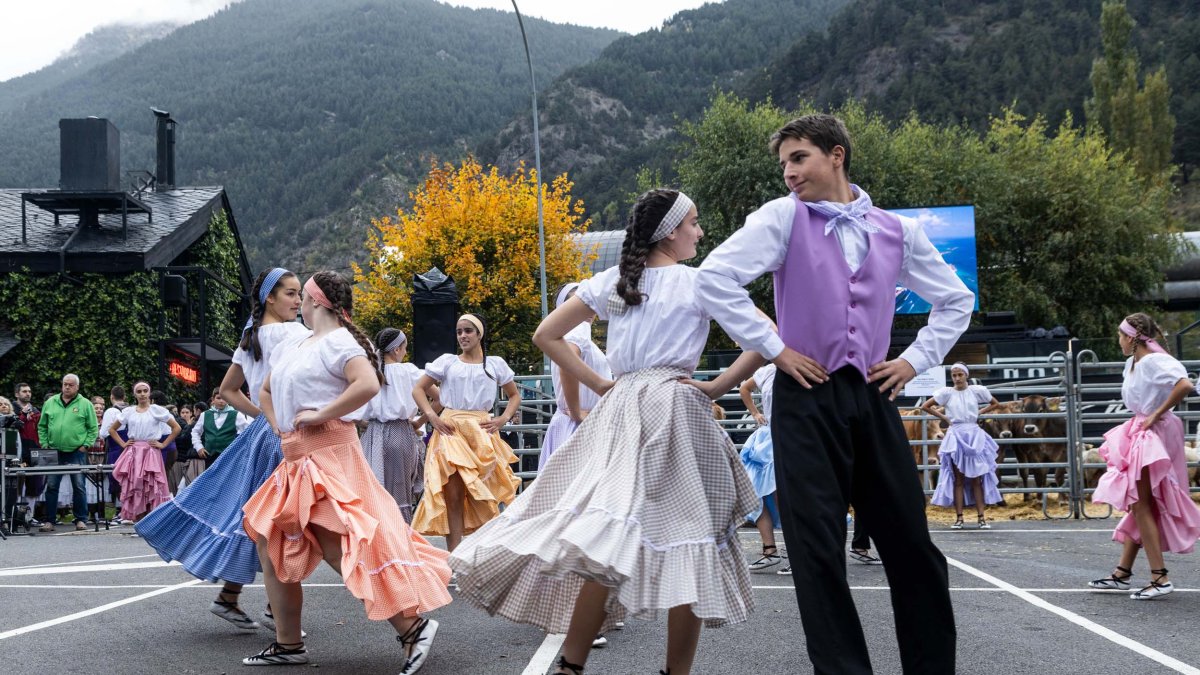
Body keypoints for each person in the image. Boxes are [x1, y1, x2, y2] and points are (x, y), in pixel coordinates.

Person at [695, 114, 973, 674]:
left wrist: (913, 360)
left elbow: (956, 300)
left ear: (837, 155)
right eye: (784, 164)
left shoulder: (897, 230)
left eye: (799, 158)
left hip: (872, 396)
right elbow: (713, 277)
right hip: (803, 398)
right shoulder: (781, 219)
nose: (789, 173)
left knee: (913, 548)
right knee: (817, 552)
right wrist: (773, 348)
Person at [450, 189, 760, 675]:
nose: (699, 232)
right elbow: (762, 338)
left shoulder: (615, 282)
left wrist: (602, 383)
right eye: (694, 223)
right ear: (670, 231)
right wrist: (715, 387)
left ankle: (571, 664)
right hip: (675, 408)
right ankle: (674, 673)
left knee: (604, 532)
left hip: (622, 408)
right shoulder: (700, 283)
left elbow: (546, 335)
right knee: (689, 539)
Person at [241, 271, 451, 672]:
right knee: (272, 541)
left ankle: (412, 628)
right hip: (298, 457)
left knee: (345, 543)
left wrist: (321, 413)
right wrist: (279, 424)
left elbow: (367, 383)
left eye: (302, 297)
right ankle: (289, 644)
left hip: (330, 453)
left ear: (315, 301)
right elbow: (265, 391)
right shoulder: (300, 344)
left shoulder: (340, 341)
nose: (299, 304)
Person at [136, 268, 308, 633]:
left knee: (255, 517)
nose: (298, 301)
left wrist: (262, 414)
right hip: (285, 434)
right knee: (287, 520)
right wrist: (273, 414)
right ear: (269, 298)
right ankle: (273, 609)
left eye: (299, 294)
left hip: (264, 433)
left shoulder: (251, 336)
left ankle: (235, 597)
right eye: (292, 294)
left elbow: (230, 390)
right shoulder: (294, 333)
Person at [1088, 313, 1200, 599]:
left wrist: (1155, 414)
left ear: (1131, 337)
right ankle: (1123, 573)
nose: (1118, 340)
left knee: (1141, 503)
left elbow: (1185, 385)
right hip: (1141, 430)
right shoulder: (1133, 363)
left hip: (1154, 433)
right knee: (1139, 504)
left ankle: (1159, 578)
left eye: (1120, 335)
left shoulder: (1152, 360)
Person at [411, 312, 522, 553]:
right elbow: (419, 389)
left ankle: (482, 553)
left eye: (468, 331)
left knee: (485, 494)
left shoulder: (495, 364)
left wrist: (502, 418)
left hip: (482, 432)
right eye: (459, 331)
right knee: (453, 497)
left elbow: (514, 395)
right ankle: (455, 556)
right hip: (451, 431)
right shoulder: (448, 362)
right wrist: (431, 416)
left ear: (480, 334)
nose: (462, 335)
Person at [357, 328, 429, 523]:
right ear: (397, 350)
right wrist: (419, 421)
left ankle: (378, 544)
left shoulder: (369, 372)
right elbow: (439, 398)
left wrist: (365, 422)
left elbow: (351, 408)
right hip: (400, 432)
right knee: (400, 492)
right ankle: (401, 540)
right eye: (405, 348)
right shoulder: (409, 372)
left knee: (373, 491)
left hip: (372, 435)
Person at [537, 282, 611, 472]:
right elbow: (567, 364)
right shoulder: (579, 328)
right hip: (579, 424)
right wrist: (577, 412)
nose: (588, 307)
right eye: (581, 302)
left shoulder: (567, 332)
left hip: (572, 422)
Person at [923, 363, 1002, 529]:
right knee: (958, 479)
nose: (957, 378)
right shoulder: (947, 393)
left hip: (973, 434)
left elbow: (995, 403)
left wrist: (978, 414)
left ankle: (981, 518)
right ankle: (959, 518)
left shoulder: (976, 391)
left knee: (976, 478)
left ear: (966, 375)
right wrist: (944, 417)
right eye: (954, 375)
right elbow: (925, 406)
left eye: (960, 375)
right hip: (956, 435)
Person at [38, 374, 98, 532]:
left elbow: (93, 428)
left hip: (76, 451)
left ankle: (81, 519)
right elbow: (42, 426)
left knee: (79, 486)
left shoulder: (85, 404)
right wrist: (44, 443)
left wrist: (86, 445)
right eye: (65, 384)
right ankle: (49, 520)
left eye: (71, 385)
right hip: (54, 451)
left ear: (77, 387)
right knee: (51, 486)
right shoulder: (50, 402)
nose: (67, 387)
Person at [110, 382, 178, 522]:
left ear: (149, 393)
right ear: (135, 394)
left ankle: (151, 521)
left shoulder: (156, 410)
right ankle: (138, 520)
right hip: (134, 453)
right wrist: (123, 444)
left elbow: (176, 427)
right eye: (139, 391)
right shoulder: (129, 411)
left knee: (152, 485)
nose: (142, 394)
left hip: (151, 452)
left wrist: (163, 444)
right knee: (135, 485)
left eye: (145, 391)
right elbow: (112, 429)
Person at [739, 362, 783, 572]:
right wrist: (756, 413)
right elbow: (744, 388)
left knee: (785, 496)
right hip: (767, 440)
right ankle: (769, 550)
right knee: (758, 495)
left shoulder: (804, 364)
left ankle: (800, 555)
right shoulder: (768, 370)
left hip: (791, 438)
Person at [191, 388, 245, 469]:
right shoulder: (205, 414)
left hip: (229, 456)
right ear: (213, 399)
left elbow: (247, 432)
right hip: (209, 455)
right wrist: (199, 447)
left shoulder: (236, 414)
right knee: (210, 480)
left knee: (227, 480)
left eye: (224, 398)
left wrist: (237, 450)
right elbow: (195, 432)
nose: (221, 401)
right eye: (218, 398)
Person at [99, 386, 130, 523]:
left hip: (116, 449)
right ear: (124, 397)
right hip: (130, 448)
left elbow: (104, 433)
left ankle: (110, 515)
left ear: (111, 397)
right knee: (127, 481)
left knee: (113, 482)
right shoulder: (131, 410)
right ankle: (126, 511)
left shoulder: (111, 411)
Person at [14, 383, 44, 518]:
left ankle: (29, 517)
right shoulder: (11, 409)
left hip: (34, 449)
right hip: (17, 450)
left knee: (34, 483)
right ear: (17, 394)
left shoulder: (36, 411)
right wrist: (22, 415)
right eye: (24, 391)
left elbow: (41, 429)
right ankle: (15, 516)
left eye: (29, 391)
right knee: (16, 484)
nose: (28, 394)